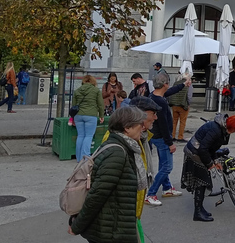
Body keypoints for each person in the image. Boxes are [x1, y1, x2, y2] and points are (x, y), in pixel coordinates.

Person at [69, 106, 149, 243]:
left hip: (113, 227)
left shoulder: (123, 147)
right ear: (127, 128)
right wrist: (77, 226)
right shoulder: (117, 153)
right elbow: (97, 194)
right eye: (140, 124)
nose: (143, 128)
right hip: (112, 232)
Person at [181, 114, 235, 222]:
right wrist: (210, 164)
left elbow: (212, 148)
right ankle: (197, 212)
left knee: (202, 182)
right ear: (233, 129)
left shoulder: (222, 129)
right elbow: (204, 149)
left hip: (199, 152)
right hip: (194, 153)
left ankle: (200, 209)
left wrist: (214, 161)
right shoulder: (216, 130)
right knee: (202, 182)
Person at [146, 72, 189, 206]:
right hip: (162, 137)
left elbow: (169, 92)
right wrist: (170, 143)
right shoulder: (161, 102)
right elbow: (164, 124)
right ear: (165, 84)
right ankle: (151, 193)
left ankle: (167, 188)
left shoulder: (154, 95)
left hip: (155, 135)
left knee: (162, 163)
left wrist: (183, 85)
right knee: (167, 166)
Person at [73, 75, 105, 161]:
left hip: (78, 115)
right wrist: (101, 115)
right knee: (88, 136)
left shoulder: (77, 91)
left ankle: (78, 157)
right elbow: (100, 104)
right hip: (91, 115)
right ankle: (85, 157)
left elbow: (73, 105)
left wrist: (72, 117)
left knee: (80, 136)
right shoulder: (96, 91)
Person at [168, 75, 193, 142]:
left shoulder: (175, 83)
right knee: (182, 122)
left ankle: (172, 136)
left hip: (174, 105)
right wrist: (188, 104)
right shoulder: (188, 85)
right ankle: (180, 137)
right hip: (183, 105)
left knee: (174, 121)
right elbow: (189, 96)